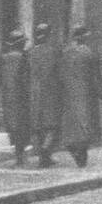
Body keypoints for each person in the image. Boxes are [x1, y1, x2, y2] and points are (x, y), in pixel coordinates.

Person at [60, 24, 102, 168]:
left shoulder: (65, 52)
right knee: (86, 124)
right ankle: (81, 156)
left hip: (68, 94)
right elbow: (95, 77)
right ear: (84, 38)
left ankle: (74, 150)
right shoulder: (89, 53)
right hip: (86, 94)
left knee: (71, 124)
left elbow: (60, 74)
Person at [0, 28, 31, 165]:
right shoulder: (25, 57)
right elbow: (28, 78)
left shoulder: (2, 58)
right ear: (20, 44)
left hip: (8, 96)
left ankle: (18, 155)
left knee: (12, 124)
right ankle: (21, 155)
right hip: (22, 96)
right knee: (23, 124)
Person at [29, 22, 61, 167]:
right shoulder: (54, 51)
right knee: (52, 125)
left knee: (39, 125)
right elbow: (60, 72)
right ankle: (45, 150)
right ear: (49, 35)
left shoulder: (30, 52)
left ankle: (45, 156)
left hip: (34, 92)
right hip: (51, 92)